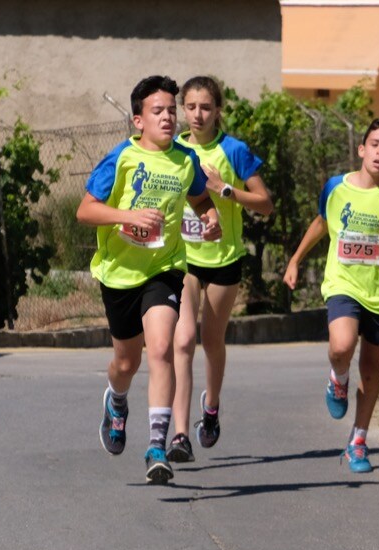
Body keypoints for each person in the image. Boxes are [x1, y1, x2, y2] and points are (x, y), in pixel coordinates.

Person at [79, 74, 221, 484]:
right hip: (120, 274)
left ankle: (157, 445)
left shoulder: (184, 160)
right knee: (127, 361)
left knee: (161, 348)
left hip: (166, 268)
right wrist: (127, 216)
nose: (168, 118)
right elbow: (86, 211)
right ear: (138, 120)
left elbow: (199, 196)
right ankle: (116, 402)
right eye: (157, 111)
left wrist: (209, 219)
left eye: (171, 111)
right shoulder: (121, 159)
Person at [284, 117, 379, 473]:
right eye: (375, 144)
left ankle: (358, 440)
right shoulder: (335, 187)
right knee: (341, 346)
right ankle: (337, 379)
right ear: (361, 148)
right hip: (343, 283)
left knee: (372, 371)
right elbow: (321, 223)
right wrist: (295, 259)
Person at [167, 75, 273, 464]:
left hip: (224, 260)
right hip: (183, 260)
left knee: (212, 343)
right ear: (183, 109)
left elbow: (265, 204)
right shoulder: (174, 149)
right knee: (182, 341)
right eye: (191, 107)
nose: (197, 115)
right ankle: (179, 433)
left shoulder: (234, 150)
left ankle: (210, 408)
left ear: (218, 111)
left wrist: (225, 189)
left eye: (206, 107)